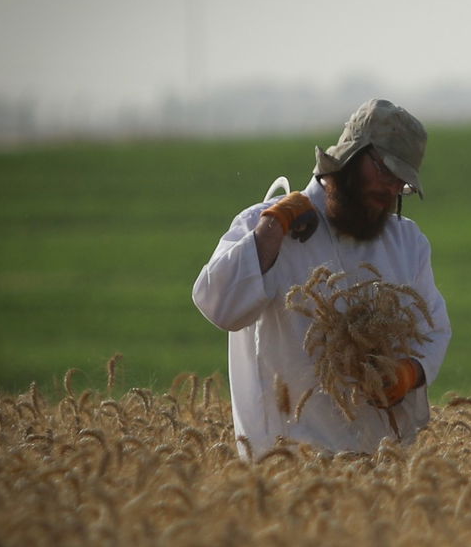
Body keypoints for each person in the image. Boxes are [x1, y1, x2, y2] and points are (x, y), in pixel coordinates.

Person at [193, 99, 452, 457]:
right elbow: (219, 306)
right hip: (286, 467)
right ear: (353, 156)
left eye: (402, 183)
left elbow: (435, 328)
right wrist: (270, 229)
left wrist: (410, 372)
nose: (392, 189)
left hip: (378, 469)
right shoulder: (266, 223)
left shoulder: (407, 242)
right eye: (386, 172)